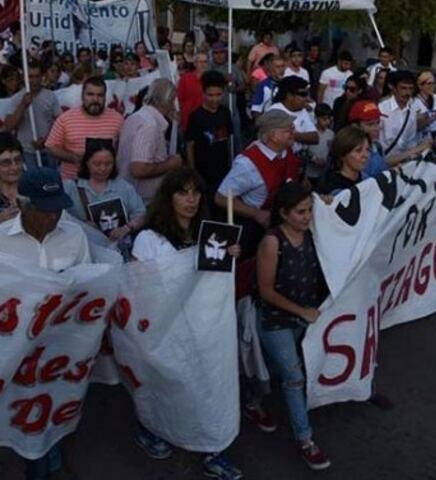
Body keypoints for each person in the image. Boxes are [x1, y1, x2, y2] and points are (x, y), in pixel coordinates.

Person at [130, 167, 243, 480]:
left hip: (204, 326)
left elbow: (214, 282)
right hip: (166, 327)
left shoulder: (212, 235)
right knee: (166, 385)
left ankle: (213, 448)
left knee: (210, 386)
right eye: (182, 192)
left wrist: (230, 256)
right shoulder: (148, 240)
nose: (190, 200)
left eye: (195, 192)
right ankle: (151, 428)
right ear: (169, 197)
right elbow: (143, 288)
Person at [0, 167, 89, 479]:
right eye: (45, 210)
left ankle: (48, 453)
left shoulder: (75, 235)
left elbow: (87, 283)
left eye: (58, 208)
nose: (54, 217)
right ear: (23, 205)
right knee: (29, 415)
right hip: (18, 348)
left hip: (63, 347)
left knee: (55, 409)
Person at [255, 182, 331, 471]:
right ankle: (306, 441)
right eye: (301, 212)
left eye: (310, 210)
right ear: (284, 214)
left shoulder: (313, 233)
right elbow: (266, 291)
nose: (308, 216)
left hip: (302, 319)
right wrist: (303, 311)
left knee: (275, 371)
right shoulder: (272, 242)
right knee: (293, 377)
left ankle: (252, 399)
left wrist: (325, 201)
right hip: (275, 322)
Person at [216, 110, 299, 257]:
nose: (294, 132)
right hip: (252, 231)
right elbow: (221, 197)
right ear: (273, 136)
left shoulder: (286, 151)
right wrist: (257, 214)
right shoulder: (247, 164)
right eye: (288, 130)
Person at [64, 138, 145, 257]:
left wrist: (127, 228)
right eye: (97, 164)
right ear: (86, 162)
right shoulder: (71, 188)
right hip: (84, 250)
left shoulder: (124, 187)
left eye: (108, 164)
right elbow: (60, 218)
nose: (102, 168)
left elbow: (141, 213)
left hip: (119, 250)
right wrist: (82, 226)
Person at [116, 78, 181, 206]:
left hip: (131, 195)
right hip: (142, 202)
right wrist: (170, 164)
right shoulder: (150, 124)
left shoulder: (137, 117)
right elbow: (138, 169)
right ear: (170, 100)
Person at [46, 77, 124, 180]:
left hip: (106, 183)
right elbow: (51, 146)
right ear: (82, 96)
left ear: (105, 97)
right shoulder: (66, 119)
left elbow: (121, 149)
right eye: (90, 94)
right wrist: (74, 158)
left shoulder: (117, 119)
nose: (95, 99)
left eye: (100, 95)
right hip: (72, 182)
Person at [186, 71, 233, 205]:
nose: (214, 99)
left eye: (218, 95)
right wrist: (192, 172)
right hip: (202, 171)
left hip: (223, 169)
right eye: (210, 95)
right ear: (203, 94)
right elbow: (190, 144)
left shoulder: (225, 113)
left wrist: (230, 164)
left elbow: (229, 139)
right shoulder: (195, 116)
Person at [349, 100, 429, 178]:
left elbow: (383, 166)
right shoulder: (349, 152)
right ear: (355, 126)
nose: (377, 128)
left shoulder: (377, 146)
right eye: (370, 125)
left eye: (378, 122)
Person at [4, 63, 62, 169]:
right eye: (30, 76)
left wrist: (46, 139)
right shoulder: (17, 98)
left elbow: (60, 122)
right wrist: (23, 105)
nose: (34, 80)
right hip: (27, 152)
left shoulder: (50, 96)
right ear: (24, 77)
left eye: (37, 76)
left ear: (42, 76)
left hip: (49, 150)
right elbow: (9, 126)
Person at [264, 76, 319, 152]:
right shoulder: (274, 112)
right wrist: (301, 136)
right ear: (289, 96)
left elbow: (315, 138)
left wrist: (292, 135)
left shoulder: (302, 110)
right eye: (303, 94)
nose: (307, 98)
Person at [378, 70, 423, 155]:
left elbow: (411, 140)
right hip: (383, 160)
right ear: (393, 88)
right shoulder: (382, 109)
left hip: (402, 161)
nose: (407, 93)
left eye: (410, 88)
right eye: (403, 88)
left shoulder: (412, 110)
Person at [318, 125, 370, 195]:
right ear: (342, 155)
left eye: (367, 149)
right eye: (358, 151)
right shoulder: (331, 187)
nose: (365, 155)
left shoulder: (367, 180)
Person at [177, 51, 208, 131]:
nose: (203, 64)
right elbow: (179, 100)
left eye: (205, 61)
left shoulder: (210, 79)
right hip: (188, 120)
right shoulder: (185, 78)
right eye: (200, 62)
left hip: (206, 120)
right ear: (195, 63)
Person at [250, 53, 286, 117]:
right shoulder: (263, 85)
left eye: (283, 66)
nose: (281, 70)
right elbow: (256, 110)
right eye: (277, 67)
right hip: (269, 122)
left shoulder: (290, 83)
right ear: (270, 68)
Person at [305, 104, 334, 187]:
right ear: (316, 118)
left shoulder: (331, 134)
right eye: (324, 119)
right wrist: (314, 159)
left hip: (323, 173)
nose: (327, 122)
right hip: (309, 172)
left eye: (329, 119)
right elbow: (304, 151)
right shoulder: (310, 132)